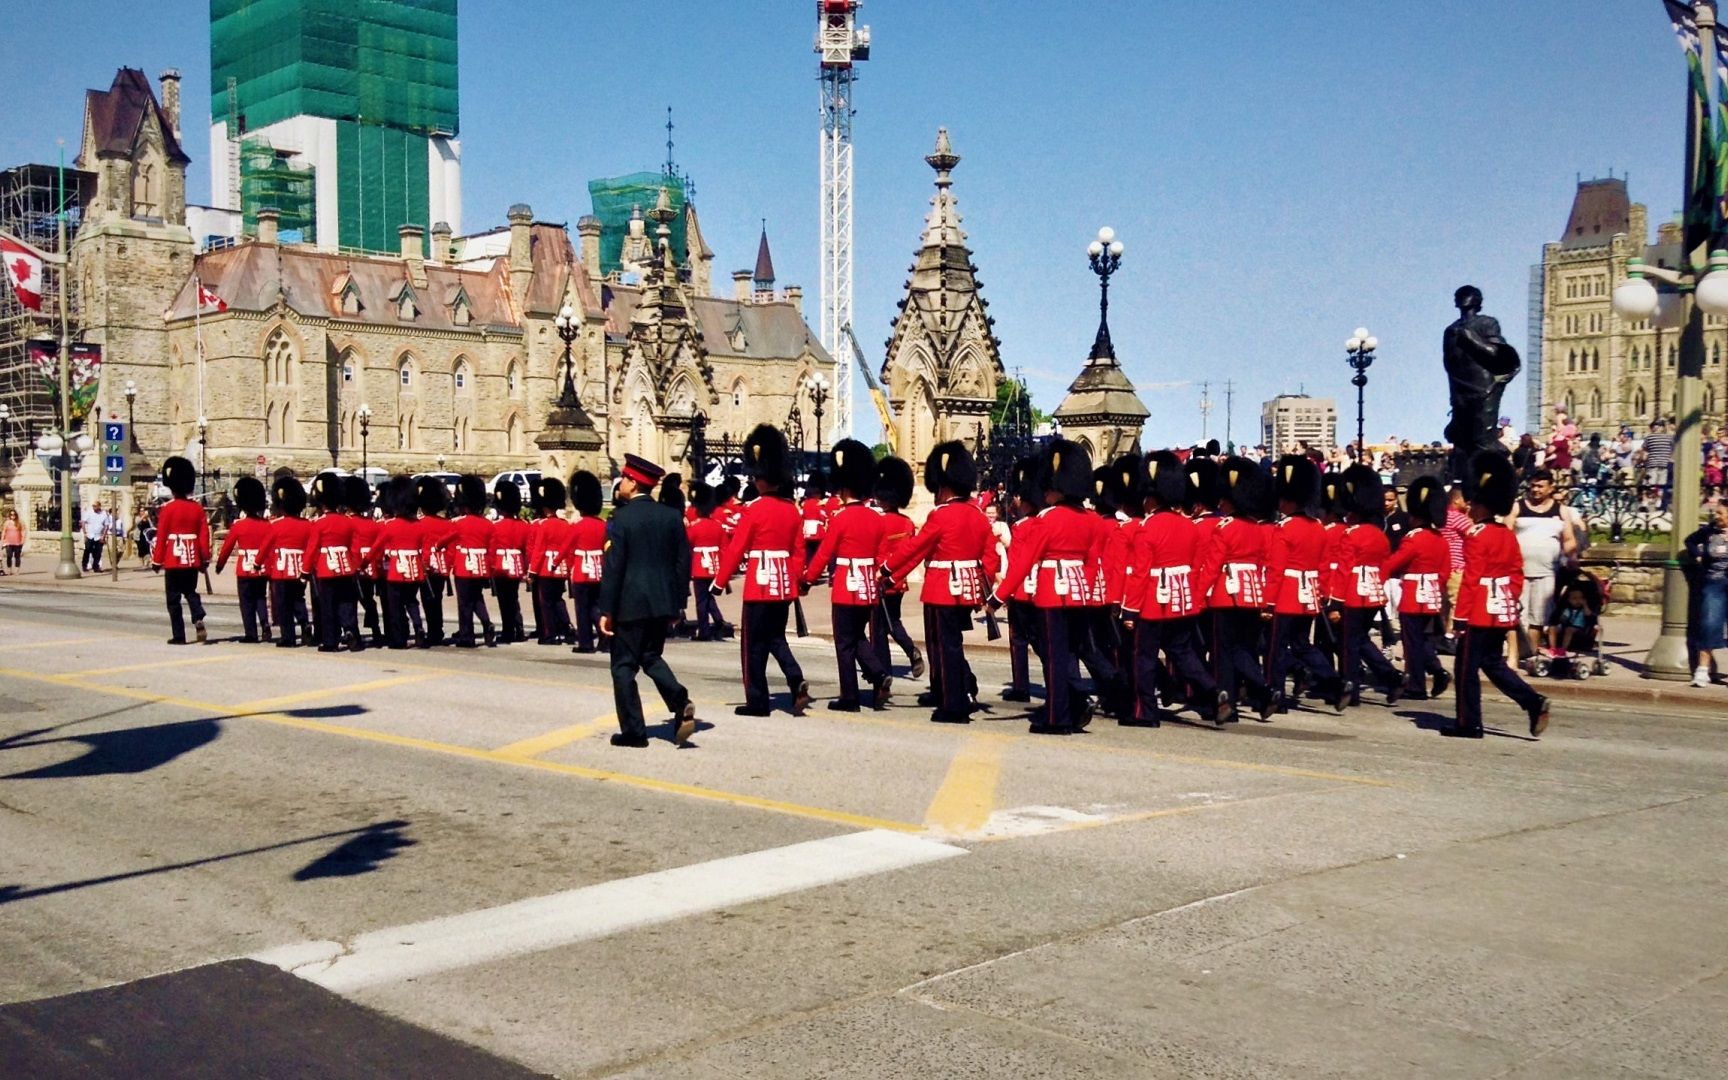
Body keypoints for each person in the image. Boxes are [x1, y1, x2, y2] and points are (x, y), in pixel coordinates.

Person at [990, 439, 1101, 733]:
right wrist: (1086, 591)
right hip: (1078, 594)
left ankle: (1056, 718)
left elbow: (1024, 564)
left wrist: (997, 597)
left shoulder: (1045, 520)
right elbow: (1091, 564)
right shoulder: (1088, 520)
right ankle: (1073, 706)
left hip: (1052, 593)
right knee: (1069, 655)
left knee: (1054, 658)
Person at [886, 441, 998, 725]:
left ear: (944, 486)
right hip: (968, 588)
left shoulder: (941, 515)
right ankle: (954, 691)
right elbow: (990, 557)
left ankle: (955, 704)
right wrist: (982, 587)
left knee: (945, 646)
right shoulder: (978, 516)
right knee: (951, 645)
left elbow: (916, 548)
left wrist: (887, 568)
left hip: (942, 589)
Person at [598, 453, 696, 748]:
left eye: (625, 479)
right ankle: (679, 700)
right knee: (651, 657)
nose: (622, 484)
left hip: (630, 604)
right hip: (662, 602)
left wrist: (607, 610)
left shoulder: (621, 519)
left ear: (633, 481)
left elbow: (614, 567)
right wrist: (679, 602)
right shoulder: (670, 517)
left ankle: (634, 731)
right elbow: (683, 563)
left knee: (624, 667)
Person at [1450, 452, 1551, 738]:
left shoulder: (1477, 535)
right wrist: (1507, 601)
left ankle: (1468, 723)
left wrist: (1460, 617)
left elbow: (1471, 579)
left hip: (1479, 611)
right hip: (1501, 608)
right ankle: (1533, 701)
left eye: (1473, 504)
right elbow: (1516, 574)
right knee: (1492, 662)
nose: (1468, 509)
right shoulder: (1507, 535)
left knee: (1466, 667)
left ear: (1481, 506)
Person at [713, 424, 810, 717]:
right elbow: (798, 551)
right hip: (782, 587)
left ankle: (757, 702)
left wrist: (719, 582)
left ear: (760, 477)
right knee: (776, 638)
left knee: (753, 647)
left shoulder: (753, 511)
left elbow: (736, 549)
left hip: (759, 585)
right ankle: (795, 677)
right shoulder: (792, 510)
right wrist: (795, 581)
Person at [1123, 450, 1226, 726]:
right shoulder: (1189, 527)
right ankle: (1214, 691)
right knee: (1183, 653)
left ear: (1150, 496)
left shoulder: (1147, 528)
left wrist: (1129, 611)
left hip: (1153, 602)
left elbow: (1141, 573)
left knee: (1143, 658)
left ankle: (1145, 711)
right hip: (1182, 599)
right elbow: (1194, 566)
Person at [802, 439, 893, 711]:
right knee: (857, 636)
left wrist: (807, 579)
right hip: (868, 587)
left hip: (846, 586)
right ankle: (877, 673)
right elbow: (881, 555)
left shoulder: (841, 518)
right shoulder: (877, 518)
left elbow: (823, 554)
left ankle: (850, 697)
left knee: (844, 643)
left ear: (843, 487)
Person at [1262, 454, 1343, 713]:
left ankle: (1276, 696)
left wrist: (1268, 602)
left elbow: (1276, 569)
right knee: (1302, 645)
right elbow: (1322, 566)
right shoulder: (1318, 528)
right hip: (1307, 595)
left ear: (1287, 499)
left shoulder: (1284, 529)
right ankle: (1335, 681)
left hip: (1285, 595)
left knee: (1276, 649)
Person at [1330, 464, 1402, 707]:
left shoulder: (1351, 534)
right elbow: (1384, 566)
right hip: (1372, 593)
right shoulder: (1379, 535)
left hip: (1352, 593)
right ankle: (1391, 677)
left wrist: (1335, 601)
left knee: (1349, 643)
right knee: (1361, 640)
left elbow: (1343, 569)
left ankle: (1351, 689)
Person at [1382, 476, 1452, 700]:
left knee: (1412, 641)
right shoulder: (1439, 538)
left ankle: (1417, 685)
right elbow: (1445, 571)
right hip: (1432, 595)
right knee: (1424, 640)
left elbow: (1394, 563)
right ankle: (1437, 670)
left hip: (1413, 595)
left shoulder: (1412, 538)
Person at [1443, 285, 1521, 479]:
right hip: (1460, 392)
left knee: (1484, 441)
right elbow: (1450, 364)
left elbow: (1497, 354)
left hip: (1484, 390)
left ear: (1477, 300)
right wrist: (1455, 395)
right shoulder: (1450, 330)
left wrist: (1472, 340)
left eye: (1466, 294)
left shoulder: (1487, 323)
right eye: (1458, 294)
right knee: (1462, 443)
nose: (1460, 296)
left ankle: (1492, 484)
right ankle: (1464, 488)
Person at [1506, 469, 1579, 661]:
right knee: (1518, 613)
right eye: (1532, 486)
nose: (1535, 490)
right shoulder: (1518, 507)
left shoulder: (1560, 510)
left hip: (1546, 572)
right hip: (1518, 571)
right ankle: (1516, 652)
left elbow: (1569, 539)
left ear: (1550, 487)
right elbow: (1506, 533)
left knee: (1538, 616)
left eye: (1540, 486)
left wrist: (1572, 556)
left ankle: (1531, 651)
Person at [869, 456, 925, 680]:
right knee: (894, 621)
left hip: (878, 578)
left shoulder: (877, 521)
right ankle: (911, 650)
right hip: (898, 581)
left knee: (879, 629)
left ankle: (882, 670)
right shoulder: (907, 523)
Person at [150, 456, 211, 644]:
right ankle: (198, 615)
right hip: (192, 558)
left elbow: (161, 537)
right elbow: (204, 536)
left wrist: (157, 561)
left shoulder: (167, 509)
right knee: (191, 591)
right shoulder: (197, 509)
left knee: (173, 599)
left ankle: (179, 635)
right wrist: (204, 559)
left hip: (173, 559)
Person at [302, 472, 362, 652]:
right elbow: (355, 548)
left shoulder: (319, 524)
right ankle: (350, 629)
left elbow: (312, 549)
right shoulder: (348, 522)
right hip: (346, 567)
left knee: (328, 606)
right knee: (346, 603)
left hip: (326, 568)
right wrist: (355, 566)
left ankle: (331, 641)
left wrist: (305, 571)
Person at [371, 476, 427, 649]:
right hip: (414, 570)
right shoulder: (419, 525)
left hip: (396, 571)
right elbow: (425, 548)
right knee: (411, 601)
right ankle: (418, 626)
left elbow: (376, 549)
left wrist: (365, 562)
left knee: (395, 607)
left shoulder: (391, 526)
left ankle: (399, 639)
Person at [445, 475, 496, 648]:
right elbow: (492, 548)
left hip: (464, 566)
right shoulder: (488, 524)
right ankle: (487, 623)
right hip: (481, 567)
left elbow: (447, 541)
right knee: (477, 599)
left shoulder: (458, 523)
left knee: (465, 603)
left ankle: (467, 636)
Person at [1684, 501, 1728, 687]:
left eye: (1720, 513)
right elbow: (1690, 541)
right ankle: (1703, 670)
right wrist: (1698, 556)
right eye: (1716, 513)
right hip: (1714, 582)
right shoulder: (1709, 531)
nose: (1716, 516)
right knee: (1709, 623)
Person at [526, 477, 574, 646]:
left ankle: (549, 634)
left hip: (545, 568)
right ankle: (567, 627)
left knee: (545, 602)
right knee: (558, 599)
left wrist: (532, 571)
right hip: (560, 568)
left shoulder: (543, 525)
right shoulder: (565, 524)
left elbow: (538, 550)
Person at [566, 471, 607, 653]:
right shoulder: (603, 525)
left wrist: (556, 564)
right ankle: (604, 633)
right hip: (599, 571)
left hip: (582, 572)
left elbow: (565, 548)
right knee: (596, 605)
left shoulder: (578, 526)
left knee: (582, 609)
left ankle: (586, 642)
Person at [489, 478, 531, 644]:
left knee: (504, 601)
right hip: (516, 564)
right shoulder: (524, 525)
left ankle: (508, 631)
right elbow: (526, 549)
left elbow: (492, 549)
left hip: (501, 565)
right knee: (513, 598)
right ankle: (518, 629)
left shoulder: (496, 526)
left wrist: (490, 567)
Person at [685, 482, 728, 641]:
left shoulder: (695, 527)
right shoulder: (718, 526)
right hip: (714, 566)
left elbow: (687, 543)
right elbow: (724, 549)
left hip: (699, 567)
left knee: (701, 601)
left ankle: (704, 631)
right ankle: (718, 621)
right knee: (709, 597)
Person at [345, 477, 383, 647]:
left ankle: (354, 633)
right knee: (368, 601)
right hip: (370, 567)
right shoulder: (372, 524)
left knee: (350, 601)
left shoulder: (347, 522)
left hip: (354, 565)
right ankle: (376, 631)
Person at [415, 477, 454, 646]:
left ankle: (434, 631)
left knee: (428, 600)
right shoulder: (447, 524)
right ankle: (437, 629)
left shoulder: (420, 524)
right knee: (436, 599)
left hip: (426, 567)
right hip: (442, 567)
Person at [81, 500, 112, 572]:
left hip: (99, 536)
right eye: (93, 506)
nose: (93, 507)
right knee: (87, 551)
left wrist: (103, 536)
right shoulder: (89, 512)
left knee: (98, 552)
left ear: (99, 506)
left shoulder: (104, 514)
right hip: (90, 535)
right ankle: (84, 565)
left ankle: (96, 566)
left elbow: (106, 526)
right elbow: (83, 522)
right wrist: (85, 533)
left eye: (95, 506)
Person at [2, 508, 24, 573]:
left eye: (14, 515)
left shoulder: (20, 523)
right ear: (10, 516)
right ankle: (9, 569)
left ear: (16, 515)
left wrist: (22, 541)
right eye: (11, 515)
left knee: (17, 556)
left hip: (17, 542)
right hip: (8, 542)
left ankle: (17, 570)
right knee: (9, 556)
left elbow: (23, 531)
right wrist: (3, 540)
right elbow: (4, 531)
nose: (12, 516)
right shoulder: (7, 523)